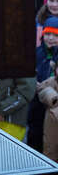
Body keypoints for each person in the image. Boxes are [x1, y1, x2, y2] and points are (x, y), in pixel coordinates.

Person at [28, 16, 58, 152]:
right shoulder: (38, 52)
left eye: (55, 35)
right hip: (37, 102)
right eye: (47, 34)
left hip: (54, 103)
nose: (50, 38)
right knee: (35, 133)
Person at [37, 62, 58, 161]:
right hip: (51, 128)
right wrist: (51, 96)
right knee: (50, 153)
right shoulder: (51, 81)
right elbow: (40, 88)